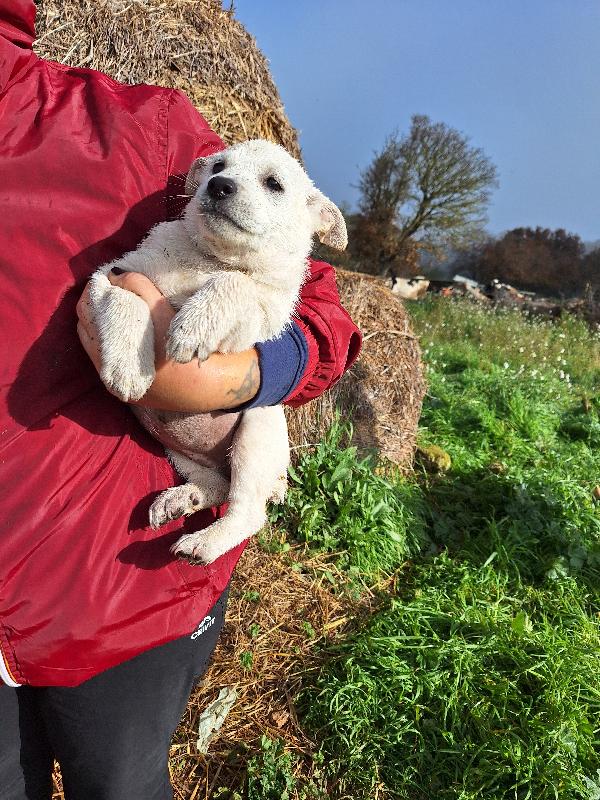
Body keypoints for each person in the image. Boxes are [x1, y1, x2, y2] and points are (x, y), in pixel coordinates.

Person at [0, 2, 361, 798]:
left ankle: (232, 504)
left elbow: (321, 313)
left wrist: (243, 377)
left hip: (113, 587)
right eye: (227, 174)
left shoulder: (137, 130)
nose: (230, 182)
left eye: (261, 179)